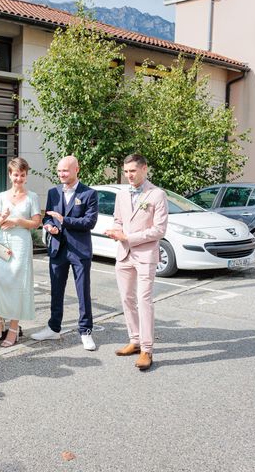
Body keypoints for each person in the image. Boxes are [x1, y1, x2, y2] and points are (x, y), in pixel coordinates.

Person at [104, 153, 168, 371]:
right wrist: (116, 231)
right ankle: (135, 339)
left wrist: (129, 237)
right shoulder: (122, 194)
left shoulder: (157, 194)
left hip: (145, 255)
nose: (129, 175)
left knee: (144, 300)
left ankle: (147, 349)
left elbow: (159, 230)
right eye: (126, 172)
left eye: (132, 171)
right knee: (127, 299)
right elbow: (118, 219)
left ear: (144, 169)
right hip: (123, 254)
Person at [31, 156, 98, 351]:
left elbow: (89, 222)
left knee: (83, 292)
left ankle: (85, 331)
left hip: (80, 250)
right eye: (59, 171)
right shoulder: (53, 192)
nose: (61, 174)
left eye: (65, 171)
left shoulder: (89, 193)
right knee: (56, 291)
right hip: (57, 249)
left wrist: (64, 220)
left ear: (77, 169)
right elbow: (47, 218)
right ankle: (53, 328)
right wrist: (50, 226)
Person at [0, 158, 41, 347]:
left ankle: (13, 328)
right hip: (3, 241)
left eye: (22, 175)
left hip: (21, 243)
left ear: (26, 176)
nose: (19, 178)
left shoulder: (32, 196)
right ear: (10, 175)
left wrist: (17, 220)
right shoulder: (2, 195)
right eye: (16, 174)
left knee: (17, 284)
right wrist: (1, 218)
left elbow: (36, 223)